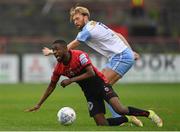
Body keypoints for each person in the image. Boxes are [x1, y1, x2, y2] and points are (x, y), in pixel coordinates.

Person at [26, 40, 163, 127]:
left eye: (57, 49)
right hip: (89, 93)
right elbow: (51, 86)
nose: (55, 53)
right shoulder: (59, 68)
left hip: (101, 84)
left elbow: (91, 73)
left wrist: (70, 80)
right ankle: (128, 119)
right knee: (101, 123)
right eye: (53, 50)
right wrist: (39, 104)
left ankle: (149, 114)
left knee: (119, 109)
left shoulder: (79, 55)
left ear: (66, 49)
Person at [42, 6, 140, 118]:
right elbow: (119, 35)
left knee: (102, 86)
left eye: (77, 18)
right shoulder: (97, 24)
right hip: (120, 56)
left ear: (85, 17)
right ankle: (121, 116)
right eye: (74, 20)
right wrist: (130, 51)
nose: (75, 22)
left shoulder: (87, 30)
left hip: (121, 57)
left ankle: (122, 117)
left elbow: (67, 48)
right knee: (102, 87)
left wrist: (51, 51)